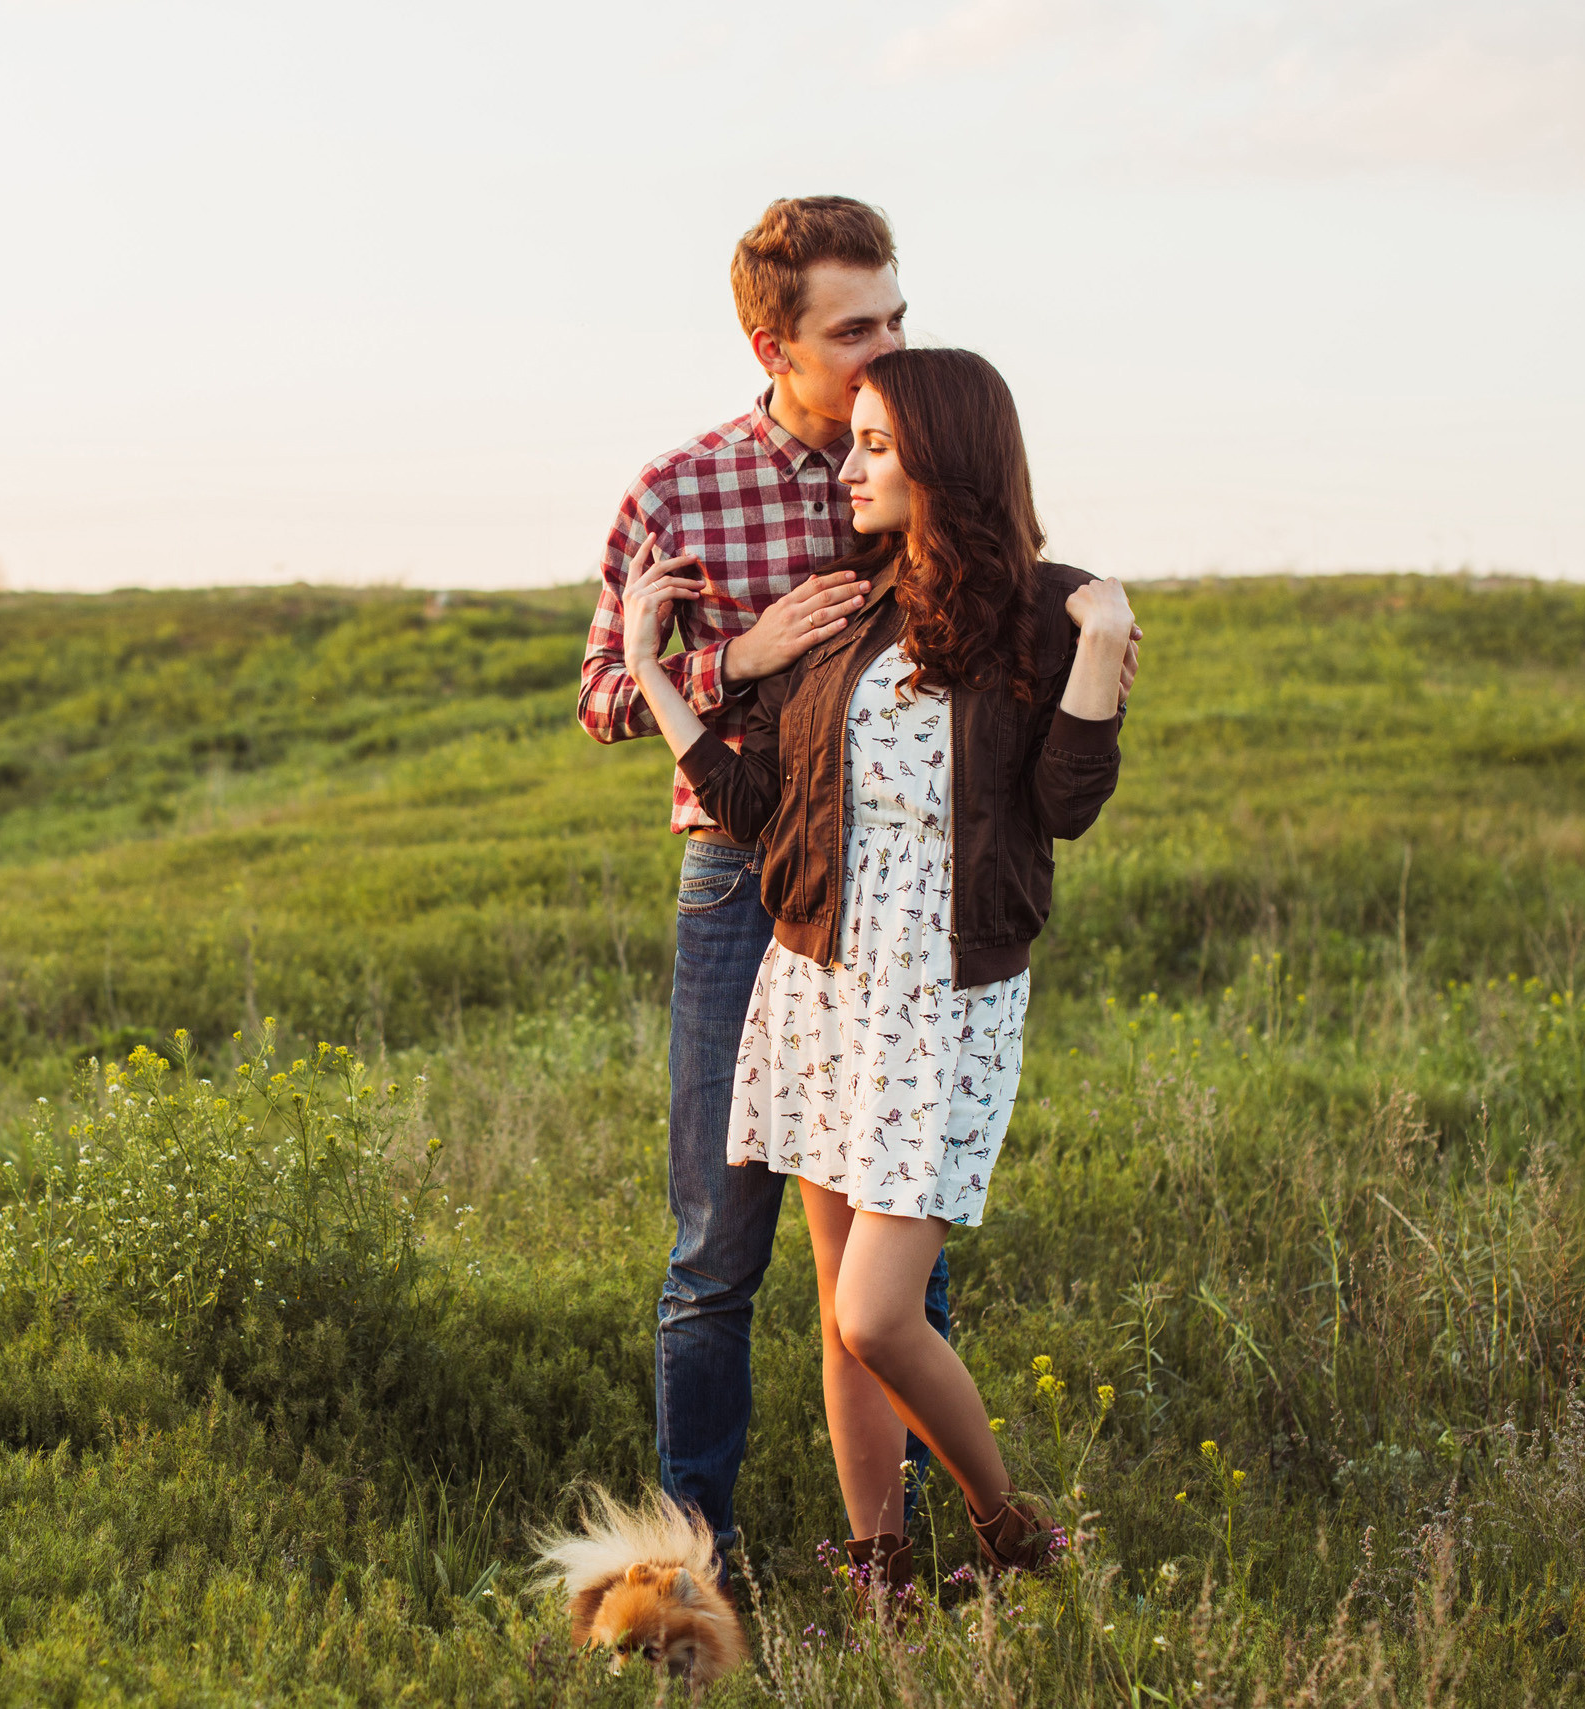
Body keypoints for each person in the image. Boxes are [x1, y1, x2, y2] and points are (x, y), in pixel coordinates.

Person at [613, 345, 1137, 1590]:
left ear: (946, 462)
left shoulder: (1047, 612)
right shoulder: (844, 609)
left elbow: (1066, 805)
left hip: (945, 1000)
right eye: (851, 442)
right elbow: (754, 804)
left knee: (877, 1312)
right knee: (841, 1319)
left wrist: (1106, 649)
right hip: (821, 986)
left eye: (876, 447)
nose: (847, 468)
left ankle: (1012, 1533)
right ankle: (882, 1567)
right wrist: (654, 671)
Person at [577, 196, 941, 1560]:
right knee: (715, 1257)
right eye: (856, 329)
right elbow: (606, 694)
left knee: (897, 1269)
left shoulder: (930, 460)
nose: (887, 347)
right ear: (770, 340)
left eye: (899, 317)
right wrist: (744, 657)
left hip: (889, 899)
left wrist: (1099, 612)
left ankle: (898, 1557)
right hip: (739, 885)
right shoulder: (678, 492)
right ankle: (697, 1564)